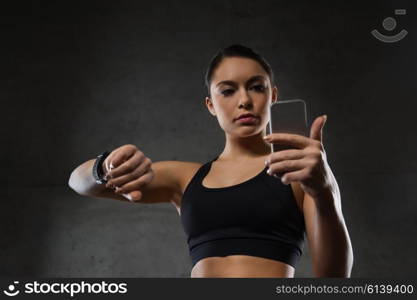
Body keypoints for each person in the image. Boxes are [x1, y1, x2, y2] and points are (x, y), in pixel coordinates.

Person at [68, 44, 353, 278]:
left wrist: (323, 191)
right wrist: (104, 168)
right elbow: (79, 183)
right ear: (210, 105)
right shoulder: (185, 179)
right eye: (228, 91)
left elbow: (333, 280)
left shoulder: (303, 175)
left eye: (256, 87)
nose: (244, 100)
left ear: (273, 96)